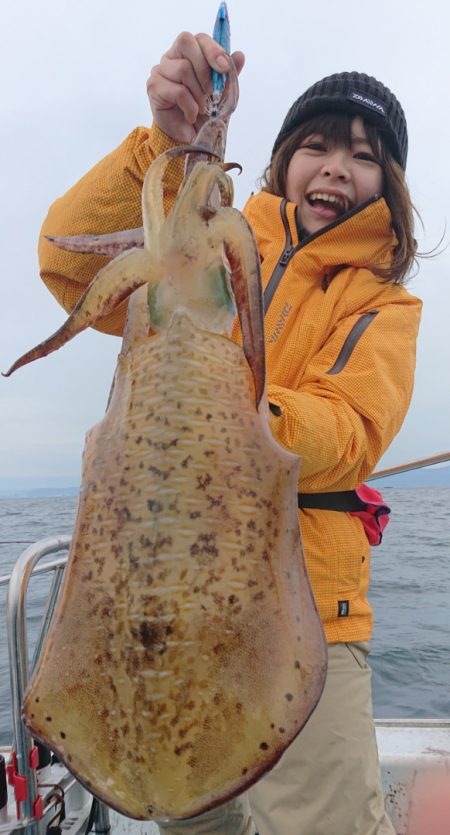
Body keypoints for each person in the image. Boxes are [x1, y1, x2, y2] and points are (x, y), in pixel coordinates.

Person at [38, 31, 422, 835]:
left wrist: (228, 412)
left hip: (309, 609)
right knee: (188, 804)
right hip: (163, 592)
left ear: (388, 184)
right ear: (280, 162)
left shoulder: (381, 302)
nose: (334, 167)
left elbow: (352, 426)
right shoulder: (209, 238)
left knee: (324, 820)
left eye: (362, 154)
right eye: (315, 145)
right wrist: (162, 145)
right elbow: (65, 264)